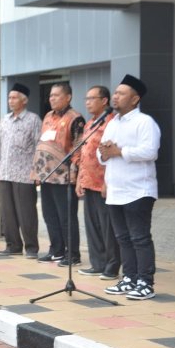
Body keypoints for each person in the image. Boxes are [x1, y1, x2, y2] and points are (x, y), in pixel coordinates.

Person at [99, 74, 160, 300]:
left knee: (139, 238)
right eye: (115, 93)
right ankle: (130, 278)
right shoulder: (112, 123)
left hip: (138, 190)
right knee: (122, 238)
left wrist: (119, 151)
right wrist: (104, 152)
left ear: (134, 100)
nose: (115, 96)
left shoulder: (145, 122)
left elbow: (150, 151)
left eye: (121, 93)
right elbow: (100, 154)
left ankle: (146, 282)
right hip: (116, 190)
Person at [31, 83, 85, 267]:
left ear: (68, 97)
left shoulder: (76, 118)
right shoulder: (47, 117)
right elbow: (40, 145)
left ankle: (73, 254)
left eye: (56, 95)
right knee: (49, 215)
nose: (51, 98)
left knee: (66, 217)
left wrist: (74, 174)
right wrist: (36, 171)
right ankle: (56, 250)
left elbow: (78, 148)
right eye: (50, 96)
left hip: (64, 177)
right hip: (46, 176)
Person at [75, 86, 120, 279]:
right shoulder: (91, 123)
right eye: (86, 98)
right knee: (92, 226)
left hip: (103, 184)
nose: (87, 102)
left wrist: (106, 182)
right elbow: (84, 153)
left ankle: (111, 266)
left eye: (92, 98)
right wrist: (79, 179)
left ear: (104, 101)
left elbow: (111, 156)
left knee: (107, 227)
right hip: (88, 181)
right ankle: (97, 263)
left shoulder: (111, 123)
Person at [0, 83, 42, 258]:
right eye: (9, 98)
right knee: (8, 213)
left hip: (24, 174)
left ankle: (31, 247)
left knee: (26, 212)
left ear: (24, 100)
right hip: (6, 172)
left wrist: (38, 172)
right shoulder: (4, 120)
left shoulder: (33, 120)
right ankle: (12, 245)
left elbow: (39, 146)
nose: (10, 101)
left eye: (14, 98)